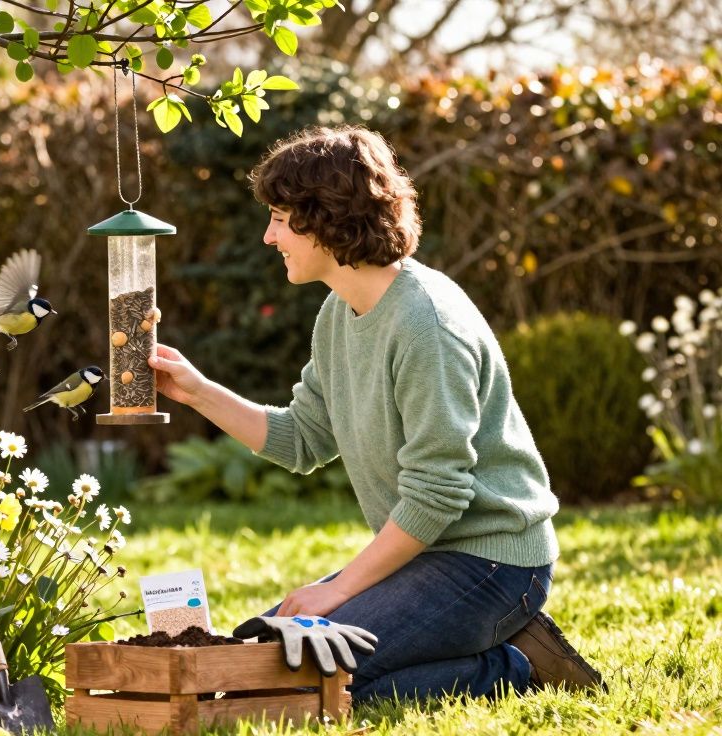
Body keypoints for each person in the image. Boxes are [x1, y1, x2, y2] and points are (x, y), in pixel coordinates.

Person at [147, 125, 603, 702]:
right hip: (424, 558)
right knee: (253, 657)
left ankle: (515, 666)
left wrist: (335, 591)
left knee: (308, 688)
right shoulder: (339, 314)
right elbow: (302, 439)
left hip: (492, 566)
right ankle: (458, 648)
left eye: (281, 219)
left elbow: (438, 493)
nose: (268, 236)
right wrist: (196, 391)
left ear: (327, 219)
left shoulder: (426, 323)